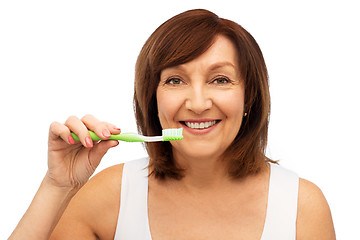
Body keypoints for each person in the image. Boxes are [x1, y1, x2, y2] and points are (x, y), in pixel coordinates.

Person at [9, 9, 335, 240]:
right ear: (153, 99)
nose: (196, 102)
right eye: (175, 80)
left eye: (220, 79)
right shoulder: (109, 196)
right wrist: (57, 187)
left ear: (249, 99)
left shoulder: (301, 207)